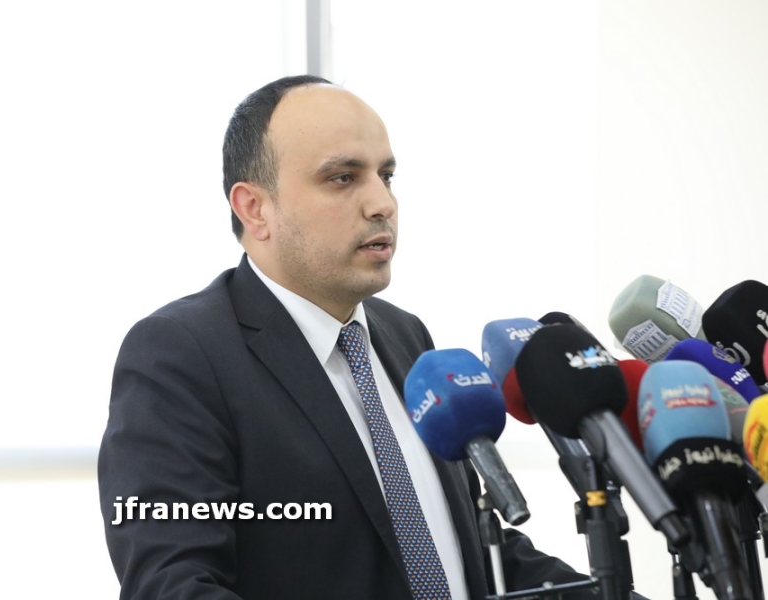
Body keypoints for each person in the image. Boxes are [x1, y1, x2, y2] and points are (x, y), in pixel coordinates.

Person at [98, 75, 600, 599]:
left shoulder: (406, 336)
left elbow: (467, 550)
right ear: (254, 208)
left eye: (387, 176)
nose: (382, 203)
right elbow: (173, 584)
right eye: (342, 178)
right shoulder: (180, 354)